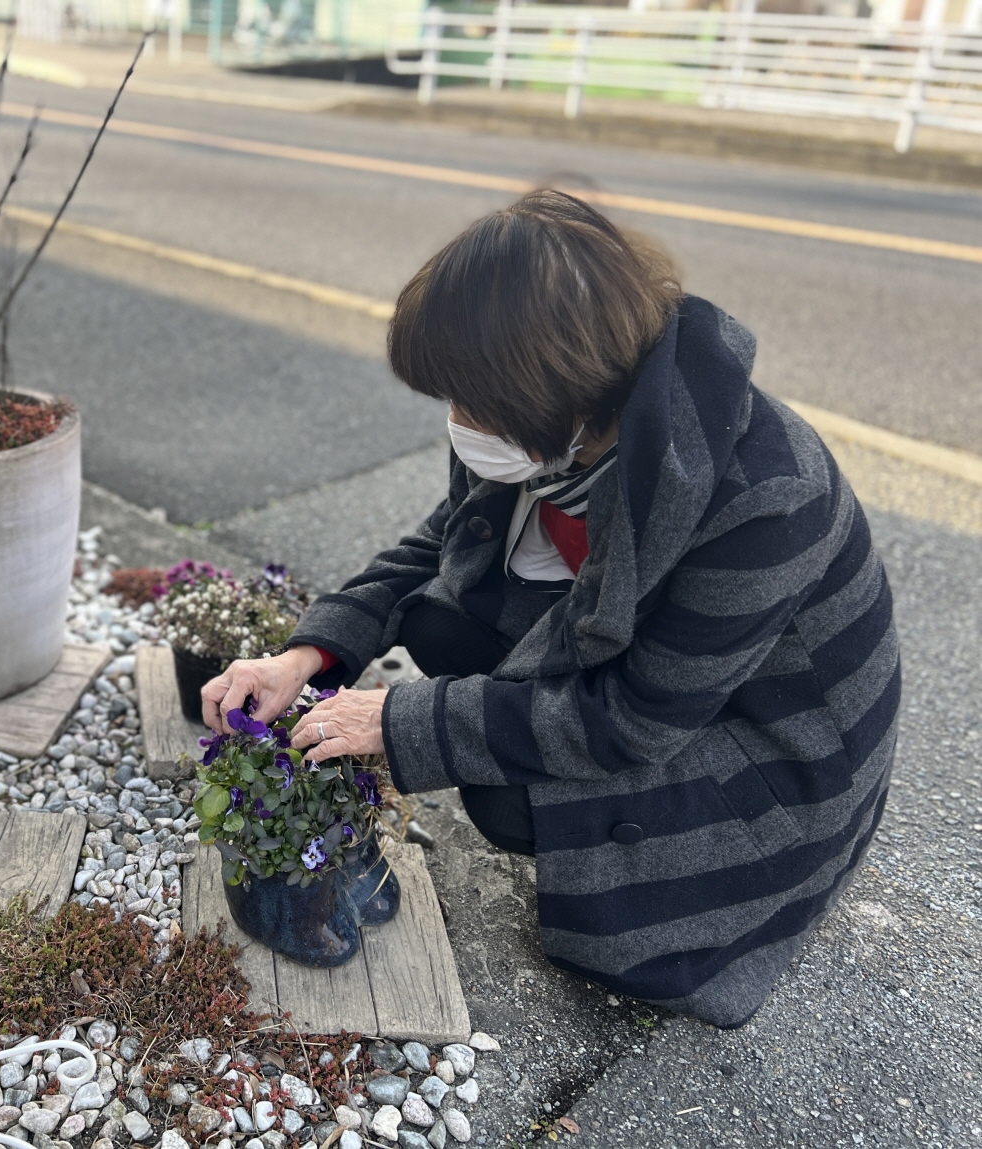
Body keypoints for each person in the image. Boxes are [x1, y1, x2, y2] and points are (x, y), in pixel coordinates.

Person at [200, 189, 898, 1029]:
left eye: (472, 401)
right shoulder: (553, 431)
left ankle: (697, 897)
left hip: (775, 762)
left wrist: (404, 723)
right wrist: (308, 655)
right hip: (684, 699)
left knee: (504, 791)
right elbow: (432, 548)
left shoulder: (759, 498)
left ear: (557, 392)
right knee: (441, 617)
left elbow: (637, 723)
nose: (457, 423)